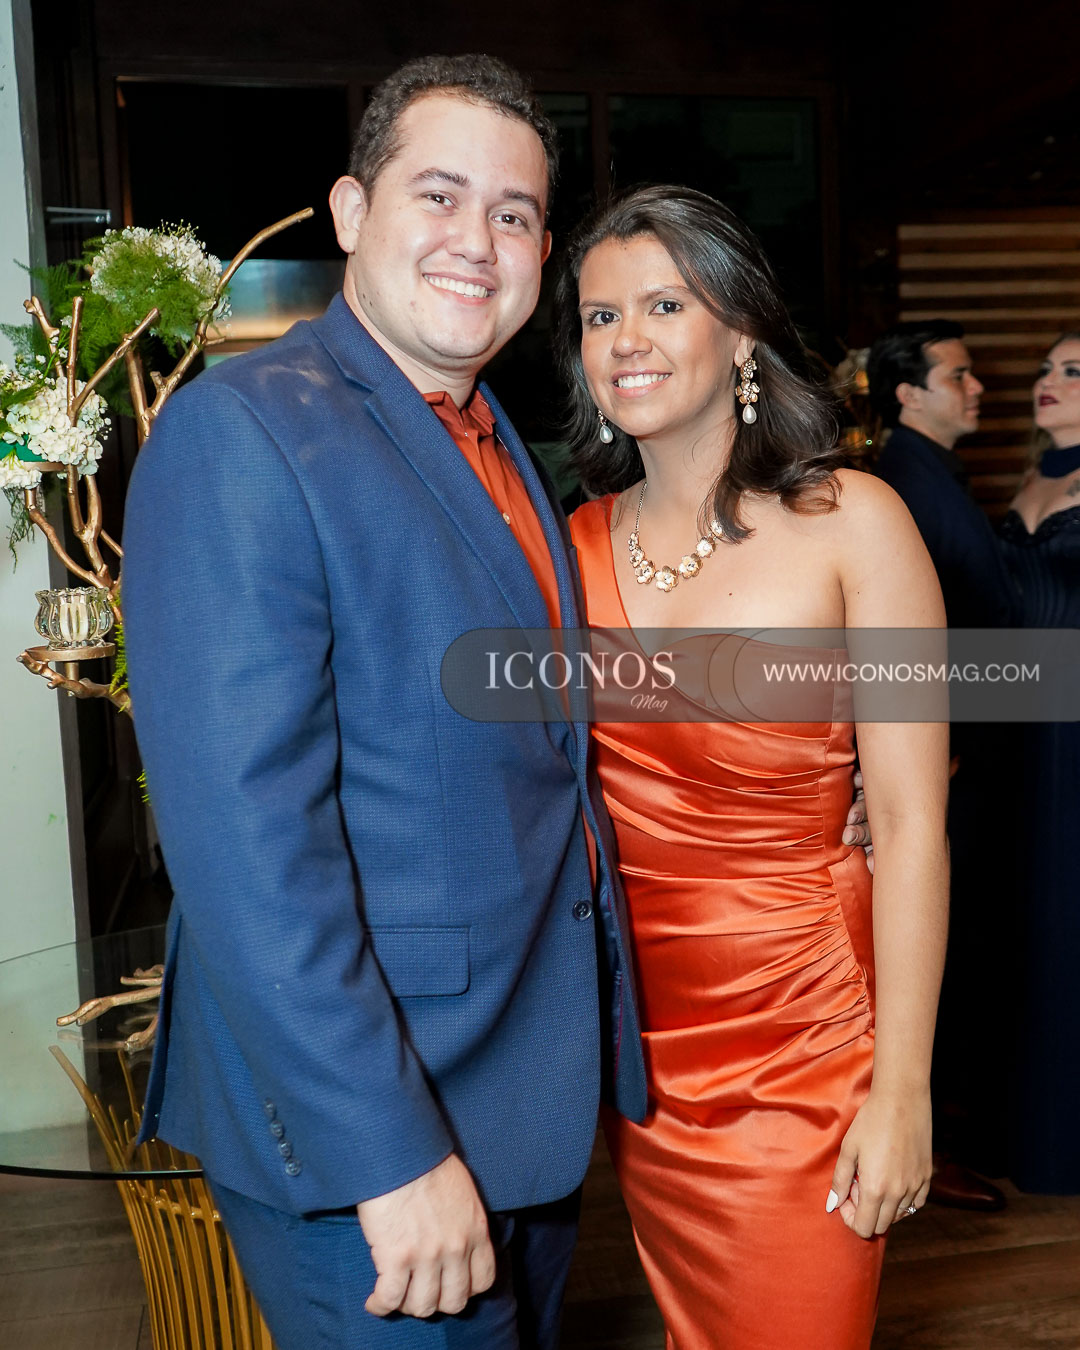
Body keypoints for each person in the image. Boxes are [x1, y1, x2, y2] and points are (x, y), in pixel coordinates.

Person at [121, 55, 652, 1350]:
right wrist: (390, 1153)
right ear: (352, 211)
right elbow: (248, 846)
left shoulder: (495, 438)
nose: (478, 240)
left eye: (514, 213)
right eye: (440, 195)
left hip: (514, 1096)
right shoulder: (244, 431)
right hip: (375, 1140)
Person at [555, 185, 949, 1350]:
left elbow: (913, 826)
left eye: (664, 305)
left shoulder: (853, 523)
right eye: (599, 316)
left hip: (810, 1043)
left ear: (739, 333)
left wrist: (905, 1088)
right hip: (645, 1063)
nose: (626, 340)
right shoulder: (565, 547)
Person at [867, 322, 1017, 1204]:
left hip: (978, 751)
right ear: (908, 395)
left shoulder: (935, 477)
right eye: (958, 375)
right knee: (946, 943)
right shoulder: (900, 490)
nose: (977, 388)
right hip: (941, 761)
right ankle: (934, 1136)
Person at [999, 332, 1080, 1193]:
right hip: (1017, 724)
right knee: (1025, 919)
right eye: (1046, 370)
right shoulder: (1031, 477)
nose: (1049, 382)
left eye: (1073, 372)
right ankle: (1030, 1134)